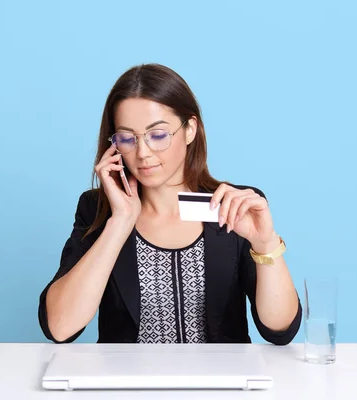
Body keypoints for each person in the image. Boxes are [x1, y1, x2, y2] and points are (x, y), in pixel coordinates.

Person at [38, 63, 302, 345]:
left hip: (220, 385)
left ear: (190, 129)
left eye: (158, 135)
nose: (143, 153)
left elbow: (279, 330)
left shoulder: (233, 205)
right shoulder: (97, 209)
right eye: (127, 138)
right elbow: (60, 327)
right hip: (127, 385)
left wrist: (265, 245)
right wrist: (121, 221)